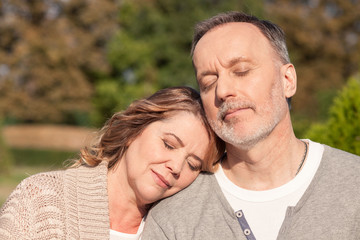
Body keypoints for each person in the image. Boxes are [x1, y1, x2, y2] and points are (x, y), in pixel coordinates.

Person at [141, 11, 360, 240]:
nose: (223, 90)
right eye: (208, 82)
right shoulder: (173, 217)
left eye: (242, 71)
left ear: (287, 81)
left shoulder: (354, 186)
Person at [0, 86, 225, 240]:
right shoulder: (41, 199)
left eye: (193, 165)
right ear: (134, 131)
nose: (176, 167)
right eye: (168, 144)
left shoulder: (181, 229)